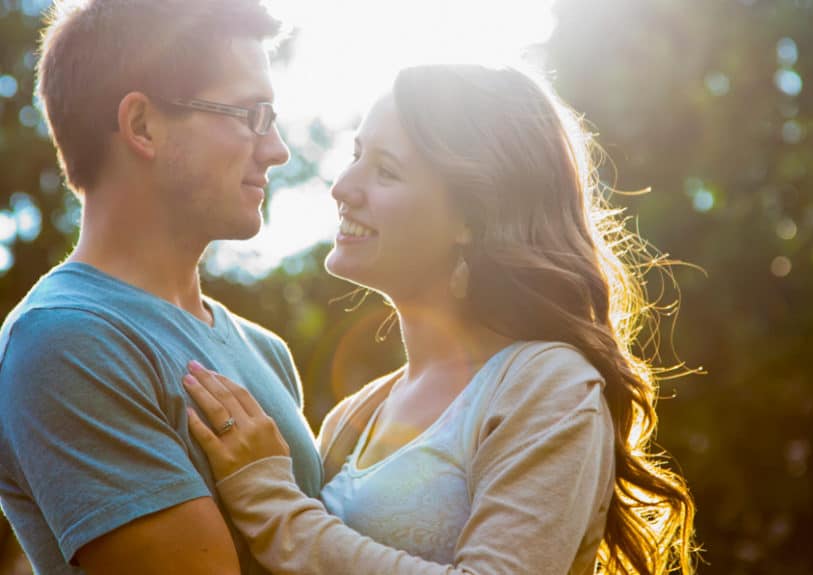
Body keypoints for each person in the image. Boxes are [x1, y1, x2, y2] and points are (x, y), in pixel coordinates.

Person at [182, 64, 697, 575]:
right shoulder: (352, 418)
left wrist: (271, 502)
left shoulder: (549, 387)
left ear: (472, 217)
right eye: (356, 155)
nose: (342, 187)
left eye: (386, 170)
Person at [0, 1, 323, 574]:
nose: (275, 150)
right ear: (143, 126)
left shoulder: (264, 349)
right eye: (252, 114)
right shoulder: (65, 343)